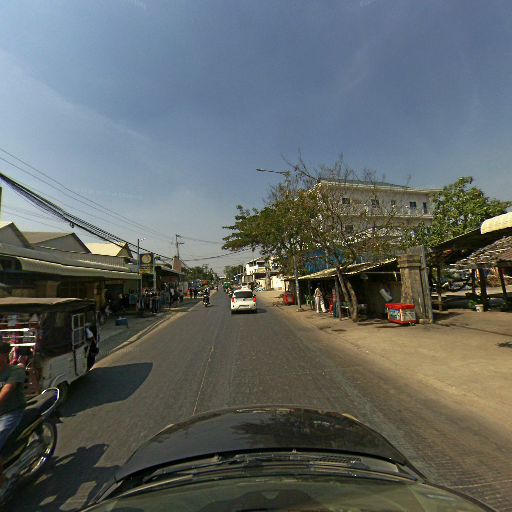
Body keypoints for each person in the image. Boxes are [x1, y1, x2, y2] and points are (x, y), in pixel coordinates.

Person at [0, 341, 27, 481]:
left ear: (4, 355)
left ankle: (2, 483)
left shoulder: (15, 371)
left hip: (11, 412)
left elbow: (6, 390)